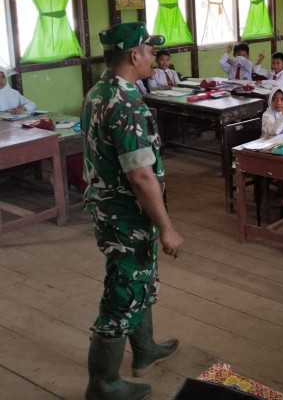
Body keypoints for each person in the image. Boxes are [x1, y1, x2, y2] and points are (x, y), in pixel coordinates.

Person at [81, 22, 183, 400]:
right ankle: (103, 384)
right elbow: (141, 177)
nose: (154, 55)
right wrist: (167, 227)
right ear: (133, 55)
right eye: (149, 49)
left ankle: (145, 349)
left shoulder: (100, 92)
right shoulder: (127, 106)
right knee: (123, 293)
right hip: (127, 216)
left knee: (139, 280)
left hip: (110, 210)